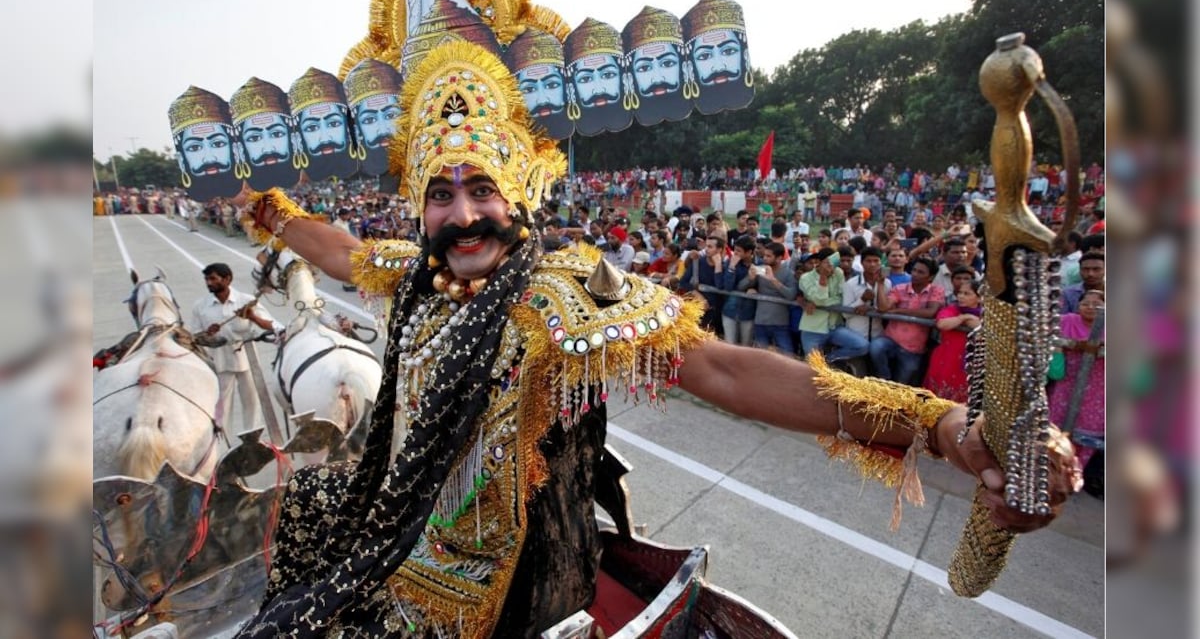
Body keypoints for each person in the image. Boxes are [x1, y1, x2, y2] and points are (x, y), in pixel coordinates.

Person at [232, 42, 1077, 637]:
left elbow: (725, 370)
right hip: (397, 542)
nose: (462, 214)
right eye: (441, 194)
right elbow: (341, 251)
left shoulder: (560, 294)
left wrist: (940, 426)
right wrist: (272, 211)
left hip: (485, 601)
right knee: (300, 511)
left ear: (519, 194)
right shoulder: (416, 272)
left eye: (481, 188)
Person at [189, 262, 282, 434]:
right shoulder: (200, 307)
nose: (209, 283)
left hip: (247, 358)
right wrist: (207, 334)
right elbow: (194, 338)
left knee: (252, 402)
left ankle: (253, 439)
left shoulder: (246, 301)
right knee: (222, 404)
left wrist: (252, 317)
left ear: (227, 279)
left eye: (213, 279)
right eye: (207, 279)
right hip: (220, 360)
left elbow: (273, 325)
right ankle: (225, 443)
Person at [1049, 290, 1105, 468]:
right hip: (1067, 381)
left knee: (1087, 433)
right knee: (1055, 429)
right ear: (1078, 306)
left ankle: (1075, 472)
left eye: (1097, 305)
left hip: (1098, 388)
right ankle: (1052, 470)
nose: (1090, 308)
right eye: (1085, 304)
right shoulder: (1066, 321)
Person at [870, 257, 945, 385]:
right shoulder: (900, 288)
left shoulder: (936, 291)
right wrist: (881, 284)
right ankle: (884, 380)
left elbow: (930, 313)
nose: (915, 274)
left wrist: (899, 311)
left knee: (903, 382)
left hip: (914, 347)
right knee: (876, 347)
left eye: (921, 272)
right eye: (914, 270)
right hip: (891, 339)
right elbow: (883, 308)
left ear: (930, 277)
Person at [922, 280, 982, 402]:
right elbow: (942, 324)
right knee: (937, 402)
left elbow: (985, 328)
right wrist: (963, 317)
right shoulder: (952, 310)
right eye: (960, 293)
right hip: (946, 360)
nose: (961, 296)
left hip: (971, 364)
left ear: (980, 298)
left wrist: (967, 320)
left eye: (967, 293)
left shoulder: (986, 314)